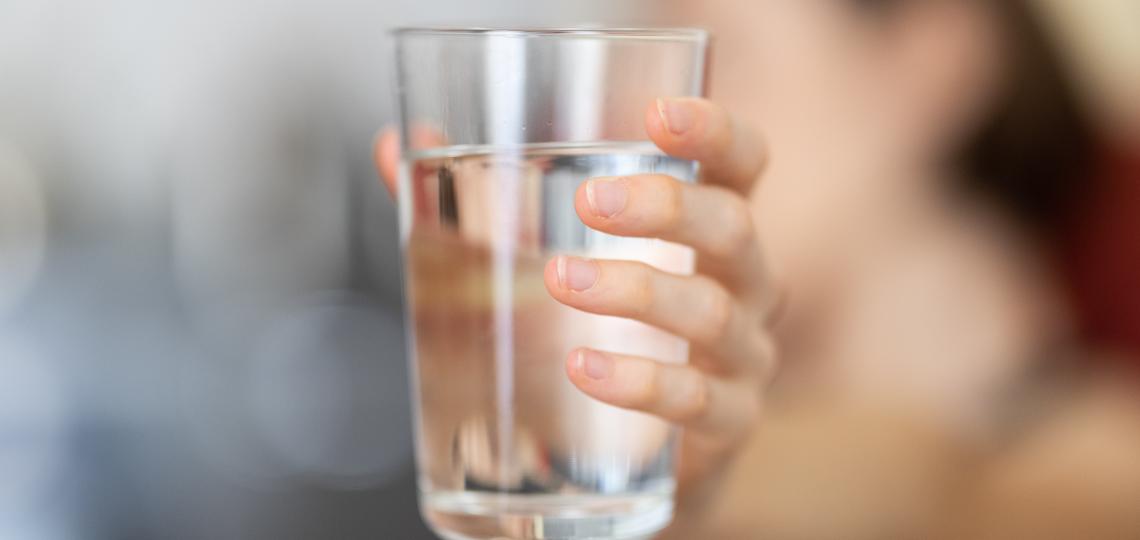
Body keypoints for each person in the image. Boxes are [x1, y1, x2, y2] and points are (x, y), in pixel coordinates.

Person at [376, 0, 1140, 537]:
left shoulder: (1089, 447)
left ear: (933, 57)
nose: (639, 116)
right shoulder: (642, 435)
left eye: (723, 52)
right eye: (640, 62)